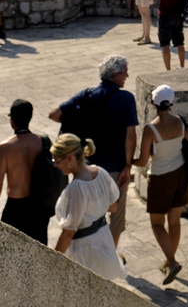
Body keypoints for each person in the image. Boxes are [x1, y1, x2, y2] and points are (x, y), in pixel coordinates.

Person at [48, 55, 139, 246]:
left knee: (86, 212)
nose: (127, 76)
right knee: (116, 213)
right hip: (114, 167)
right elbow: (131, 136)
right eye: (125, 72)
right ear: (116, 74)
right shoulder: (126, 99)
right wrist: (128, 166)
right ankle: (110, 253)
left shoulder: (87, 95)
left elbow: (54, 114)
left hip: (86, 168)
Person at [134, 84, 188, 285]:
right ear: (172, 102)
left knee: (157, 224)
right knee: (174, 221)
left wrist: (128, 161)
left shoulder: (151, 129)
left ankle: (173, 263)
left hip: (160, 178)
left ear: (153, 104)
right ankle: (169, 260)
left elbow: (142, 161)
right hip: (180, 174)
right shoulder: (180, 122)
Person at [49, 133, 127, 282]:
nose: (55, 165)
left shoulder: (76, 188)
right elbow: (113, 207)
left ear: (70, 158)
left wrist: (53, 260)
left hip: (85, 248)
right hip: (103, 238)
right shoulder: (100, 172)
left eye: (57, 160)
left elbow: (69, 232)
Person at [0, 99, 52, 242]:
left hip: (15, 208)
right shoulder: (42, 142)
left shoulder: (5, 147)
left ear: (12, 120)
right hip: (38, 207)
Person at [150, 0, 188, 71]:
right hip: (178, 16)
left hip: (165, 16)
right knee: (180, 43)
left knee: (165, 45)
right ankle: (182, 66)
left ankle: (168, 70)